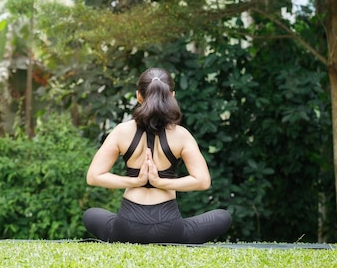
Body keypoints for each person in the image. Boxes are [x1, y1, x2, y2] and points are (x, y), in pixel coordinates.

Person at [83, 67, 232, 244]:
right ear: (172, 95)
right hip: (170, 230)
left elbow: (93, 176)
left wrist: (135, 182)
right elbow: (202, 181)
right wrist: (161, 183)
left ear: (139, 96)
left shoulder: (122, 131)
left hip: (126, 229)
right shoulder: (181, 135)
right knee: (223, 217)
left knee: (90, 214)